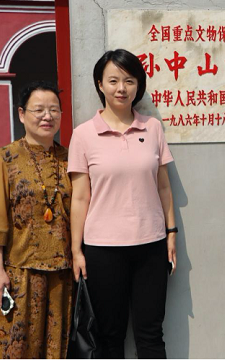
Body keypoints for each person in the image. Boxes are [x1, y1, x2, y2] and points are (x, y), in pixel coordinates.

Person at [69, 49, 177, 359]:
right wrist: (77, 250)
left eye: (129, 81)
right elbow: (80, 197)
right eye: (113, 80)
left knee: (151, 334)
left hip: (151, 245)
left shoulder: (152, 128)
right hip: (103, 249)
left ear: (138, 85)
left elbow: (163, 186)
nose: (121, 88)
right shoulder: (83, 135)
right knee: (109, 335)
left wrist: (171, 233)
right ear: (99, 84)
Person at [0, 81, 73, 358]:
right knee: (17, 349)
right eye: (38, 110)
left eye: (54, 110)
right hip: (20, 273)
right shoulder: (5, 158)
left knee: (57, 350)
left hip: (62, 275)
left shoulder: (70, 159)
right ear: (21, 114)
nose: (47, 116)